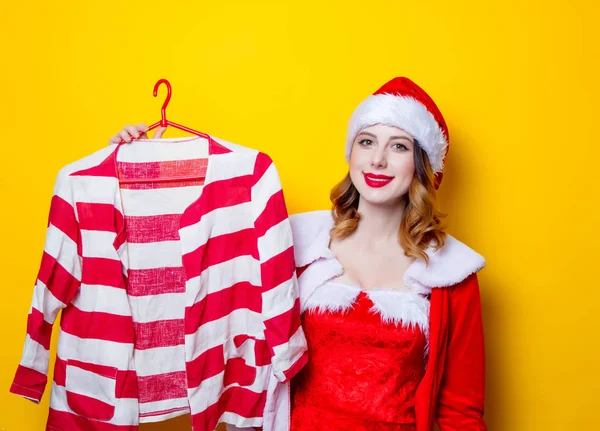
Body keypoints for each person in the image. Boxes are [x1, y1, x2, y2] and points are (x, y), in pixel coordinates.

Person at [111, 77, 487, 431]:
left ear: (422, 166)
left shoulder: (450, 274)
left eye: (399, 146)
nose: (377, 160)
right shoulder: (292, 241)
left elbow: (461, 412)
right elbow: (195, 266)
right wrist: (143, 167)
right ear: (351, 153)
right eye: (367, 142)